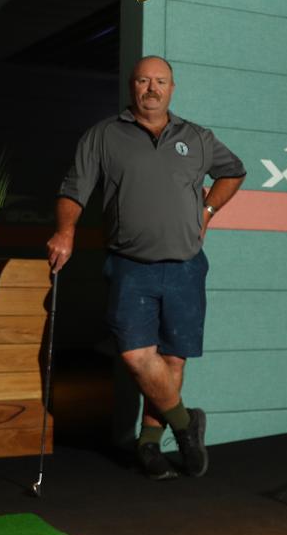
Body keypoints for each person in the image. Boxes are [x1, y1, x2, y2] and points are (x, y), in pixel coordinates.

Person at [46, 56, 246, 480]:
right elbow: (73, 190)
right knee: (138, 356)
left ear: (172, 88)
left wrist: (208, 209)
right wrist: (66, 231)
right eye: (143, 81)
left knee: (172, 360)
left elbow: (233, 172)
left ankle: (149, 444)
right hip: (130, 265)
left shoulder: (197, 137)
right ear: (132, 87)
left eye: (160, 81)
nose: (151, 88)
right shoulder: (104, 136)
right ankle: (187, 425)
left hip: (186, 266)